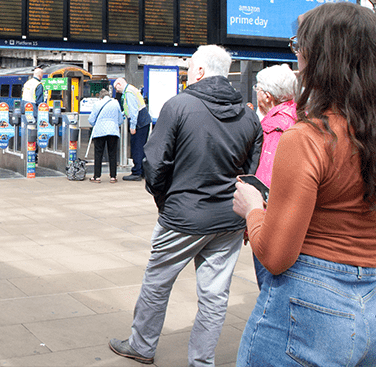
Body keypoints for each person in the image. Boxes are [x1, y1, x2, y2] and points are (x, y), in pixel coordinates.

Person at [233, 2, 376, 367]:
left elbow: (274, 256)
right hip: (375, 315)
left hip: (307, 316)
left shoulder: (306, 139)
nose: (297, 58)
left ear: (320, 58)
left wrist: (253, 207)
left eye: (299, 47)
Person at [110, 45, 263, 366]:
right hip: (229, 221)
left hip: (182, 217)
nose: (188, 72)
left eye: (190, 66)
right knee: (215, 297)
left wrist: (166, 202)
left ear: (202, 71)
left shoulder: (178, 106)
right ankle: (201, 361)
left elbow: (154, 164)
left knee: (157, 282)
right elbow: (251, 172)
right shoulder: (249, 115)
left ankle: (141, 345)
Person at [250, 63, 298, 289]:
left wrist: (253, 219)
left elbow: (265, 183)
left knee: (269, 286)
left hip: (273, 224)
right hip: (297, 218)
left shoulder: (273, 127)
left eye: (258, 88)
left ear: (267, 96)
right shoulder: (302, 117)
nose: (256, 92)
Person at [113, 77, 150, 181]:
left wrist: (132, 126)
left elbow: (133, 111)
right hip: (144, 122)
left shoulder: (128, 92)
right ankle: (142, 171)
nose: (117, 91)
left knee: (136, 147)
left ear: (120, 84)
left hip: (139, 123)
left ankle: (137, 172)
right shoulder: (131, 89)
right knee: (141, 147)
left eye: (116, 88)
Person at [87, 88, 123, 183]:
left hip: (100, 131)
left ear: (100, 97)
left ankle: (97, 176)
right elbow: (120, 120)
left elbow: (91, 119)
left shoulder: (97, 104)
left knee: (98, 154)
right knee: (112, 153)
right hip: (113, 131)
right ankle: (113, 177)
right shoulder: (115, 103)